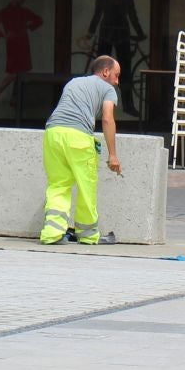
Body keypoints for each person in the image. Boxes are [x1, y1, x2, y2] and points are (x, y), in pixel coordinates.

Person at [39, 55, 123, 246]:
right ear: (105, 72)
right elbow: (108, 119)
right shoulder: (107, 89)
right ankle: (88, 235)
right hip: (78, 136)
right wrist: (113, 155)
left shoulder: (74, 82)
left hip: (52, 133)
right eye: (116, 75)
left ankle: (52, 233)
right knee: (87, 186)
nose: (117, 82)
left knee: (58, 184)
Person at [86, 0, 146, 114]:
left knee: (125, 71)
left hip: (122, 34)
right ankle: (96, 104)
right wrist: (91, 31)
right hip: (106, 34)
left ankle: (128, 105)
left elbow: (132, 15)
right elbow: (97, 13)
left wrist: (140, 33)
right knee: (100, 71)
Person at [0, 0, 44, 111]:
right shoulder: (6, 12)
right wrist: (3, 35)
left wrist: (28, 27)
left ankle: (12, 99)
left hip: (22, 45)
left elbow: (38, 20)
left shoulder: (22, 12)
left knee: (19, 74)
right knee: (13, 75)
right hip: (14, 46)